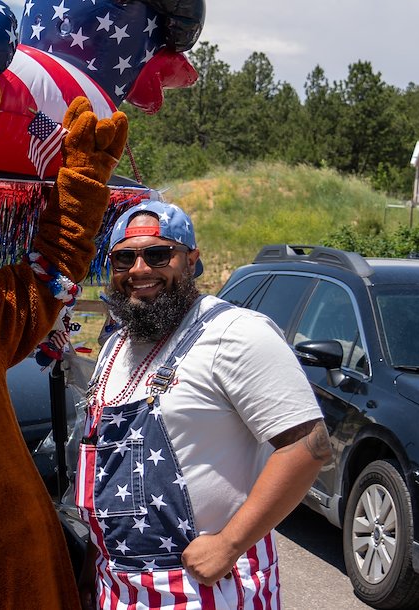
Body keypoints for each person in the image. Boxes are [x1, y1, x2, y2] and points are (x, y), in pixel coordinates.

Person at [80, 200, 331, 607]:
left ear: (191, 259)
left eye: (158, 254)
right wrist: (93, 565)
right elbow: (107, 475)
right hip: (119, 590)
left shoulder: (235, 333)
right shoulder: (114, 349)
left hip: (208, 589)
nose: (139, 270)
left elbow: (309, 445)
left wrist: (230, 544)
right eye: (124, 259)